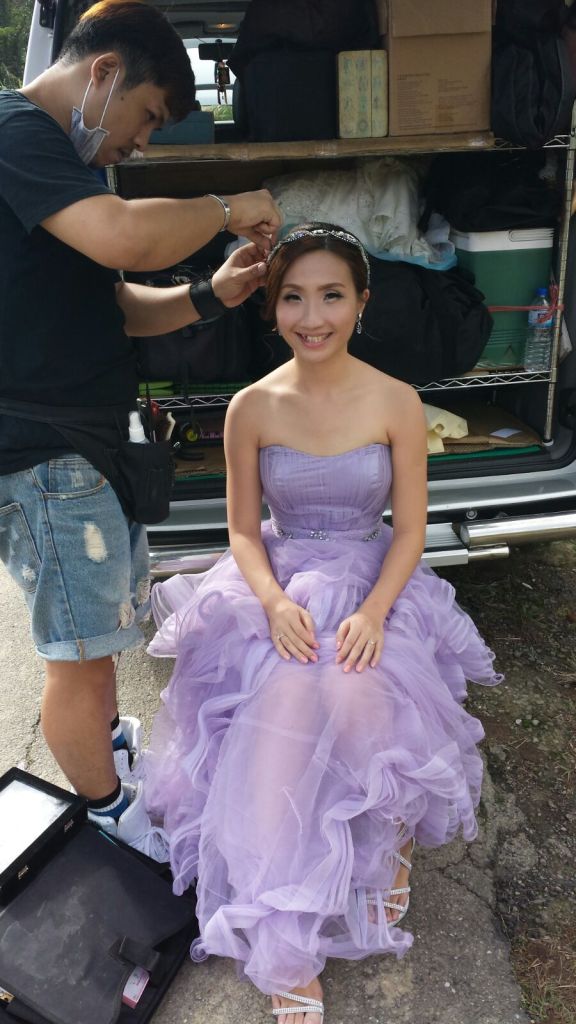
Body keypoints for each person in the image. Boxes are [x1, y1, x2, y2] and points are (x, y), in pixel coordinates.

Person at [143, 223, 503, 1021]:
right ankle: (284, 926)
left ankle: (391, 835)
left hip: (374, 578)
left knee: (359, 692)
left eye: (331, 296)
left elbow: (410, 532)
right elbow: (242, 532)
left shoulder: (396, 400)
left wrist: (374, 612)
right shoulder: (251, 407)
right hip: (280, 580)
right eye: (294, 298)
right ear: (271, 308)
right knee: (282, 707)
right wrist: (274, 603)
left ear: (361, 302)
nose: (313, 317)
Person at [0, 0, 281, 858]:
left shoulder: (66, 167)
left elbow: (115, 304)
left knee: (105, 632)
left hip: (91, 445)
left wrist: (209, 295)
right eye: (148, 116)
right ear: (104, 73)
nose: (143, 143)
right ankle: (107, 815)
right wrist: (230, 205)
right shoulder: (15, 134)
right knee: (79, 655)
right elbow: (123, 240)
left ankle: (107, 754)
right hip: (46, 453)